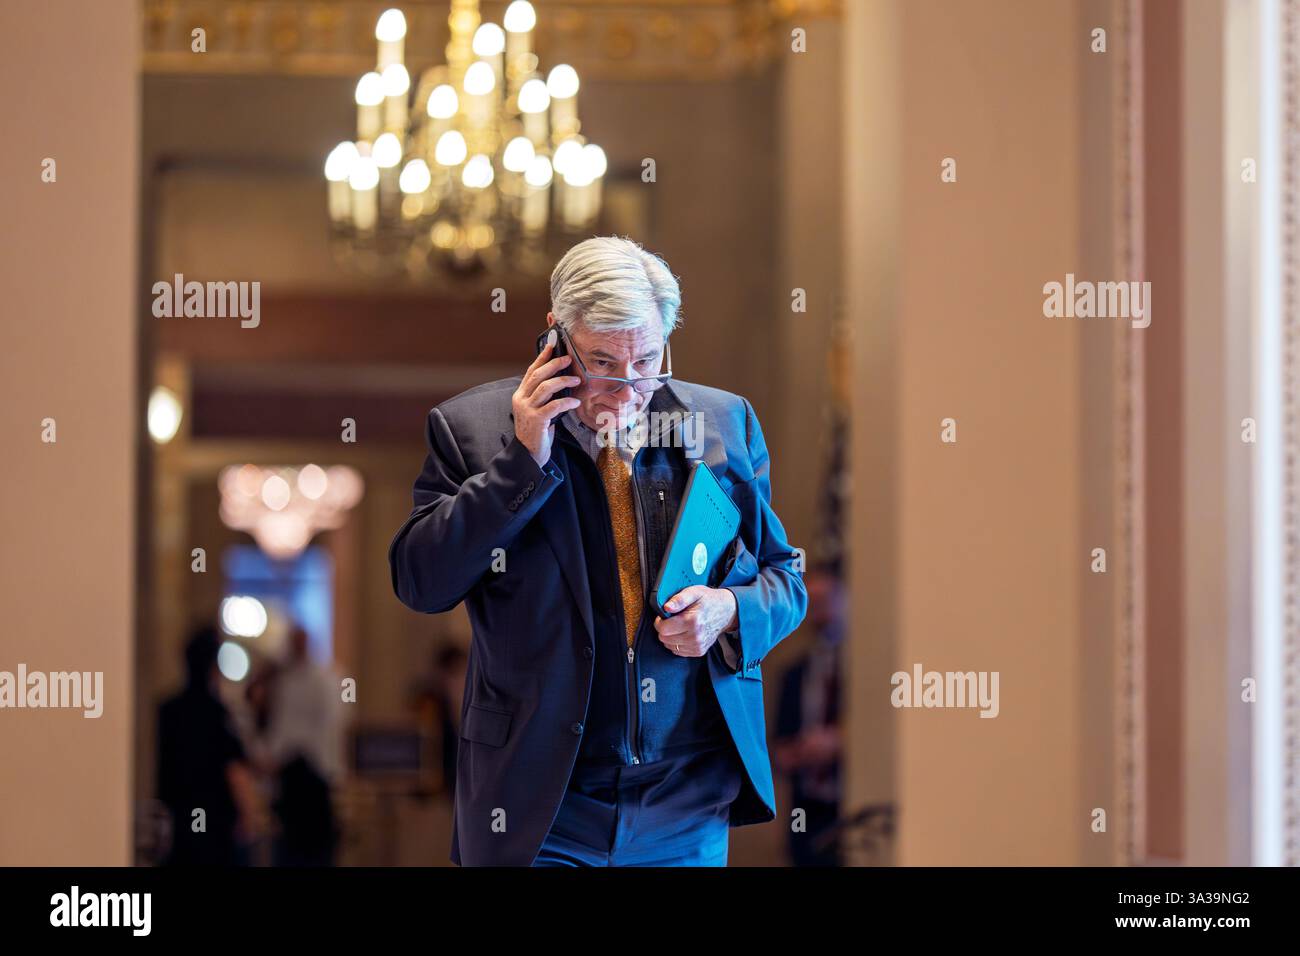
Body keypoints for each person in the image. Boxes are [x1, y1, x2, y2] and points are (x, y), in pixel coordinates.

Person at [389, 235, 807, 866]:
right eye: (603, 362)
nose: (628, 388)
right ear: (556, 337)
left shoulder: (723, 423)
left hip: (685, 801)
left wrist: (728, 610)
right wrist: (520, 462)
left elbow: (786, 579)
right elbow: (422, 582)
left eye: (647, 362)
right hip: (540, 805)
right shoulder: (474, 431)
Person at [156, 624, 263, 865]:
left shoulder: (167, 712)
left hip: (178, 825)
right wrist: (250, 818)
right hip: (214, 829)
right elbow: (234, 771)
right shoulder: (217, 714)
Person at [773, 563, 845, 866]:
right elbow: (777, 751)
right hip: (806, 815)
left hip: (848, 804)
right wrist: (800, 752)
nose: (820, 613)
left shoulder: (866, 671)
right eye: (812, 604)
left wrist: (841, 741)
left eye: (827, 602)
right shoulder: (794, 673)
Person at [262, 626, 343, 866]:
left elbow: (330, 722)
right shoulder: (283, 680)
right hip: (289, 771)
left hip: (314, 771)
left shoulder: (323, 679)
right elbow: (279, 722)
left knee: (316, 850)